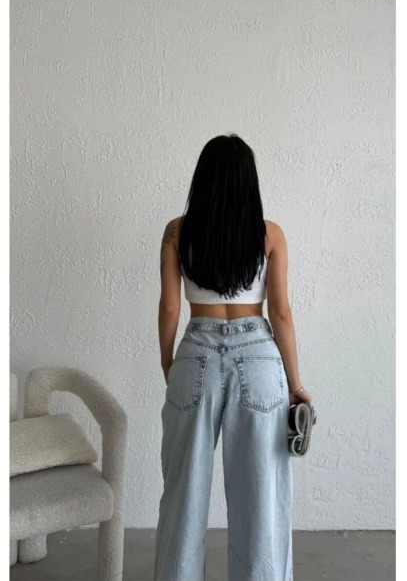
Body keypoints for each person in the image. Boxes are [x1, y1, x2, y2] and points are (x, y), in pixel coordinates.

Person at [154, 133, 312, 581]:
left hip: (195, 354)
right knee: (262, 497)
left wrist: (168, 361)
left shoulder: (177, 231)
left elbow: (170, 308)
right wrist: (296, 384)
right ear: (249, 181)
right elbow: (280, 313)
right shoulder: (269, 234)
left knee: (182, 493)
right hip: (258, 358)